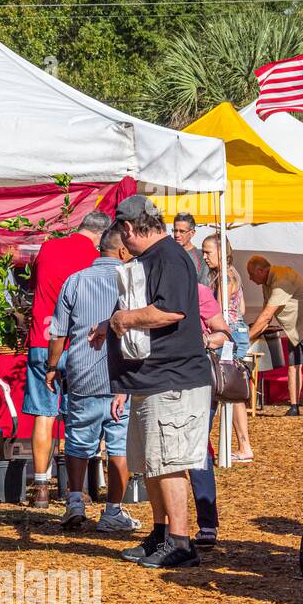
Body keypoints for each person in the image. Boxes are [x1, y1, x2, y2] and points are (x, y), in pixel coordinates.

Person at [93, 195, 212, 569]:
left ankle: (180, 540)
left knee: (170, 461)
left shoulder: (170, 257)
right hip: (153, 380)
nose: (124, 246)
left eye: (123, 236)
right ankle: (161, 533)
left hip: (173, 380)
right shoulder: (154, 258)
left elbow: (171, 310)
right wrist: (108, 324)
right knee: (153, 461)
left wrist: (123, 320)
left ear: (129, 228)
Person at [45, 226, 139, 533]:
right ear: (123, 251)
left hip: (82, 372)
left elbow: (58, 332)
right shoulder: (131, 281)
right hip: (121, 376)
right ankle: (113, 510)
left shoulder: (75, 280)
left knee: (78, 441)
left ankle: (74, 502)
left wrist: (52, 365)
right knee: (118, 446)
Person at [23, 211, 109, 508]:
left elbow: (35, 282)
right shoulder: (95, 260)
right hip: (79, 345)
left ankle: (42, 486)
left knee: (43, 415)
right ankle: (78, 488)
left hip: (41, 339)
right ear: (101, 236)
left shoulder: (49, 247)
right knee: (81, 415)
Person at [186, 281, 236, 550]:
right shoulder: (147, 290)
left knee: (197, 448)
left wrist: (203, 340)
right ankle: (170, 525)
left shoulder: (199, 291)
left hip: (199, 378)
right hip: (160, 379)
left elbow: (224, 334)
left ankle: (207, 523)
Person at [246, 255, 303, 417]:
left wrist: (246, 338)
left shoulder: (281, 279)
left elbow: (267, 315)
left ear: (261, 271)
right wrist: (261, 328)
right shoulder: (266, 284)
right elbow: (265, 315)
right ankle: (294, 406)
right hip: (295, 328)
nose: (249, 278)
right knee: (293, 364)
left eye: (251, 274)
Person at [201, 233, 254, 461]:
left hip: (228, 335)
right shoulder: (232, 275)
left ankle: (244, 446)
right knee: (230, 389)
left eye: (208, 252)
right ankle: (241, 446)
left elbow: (220, 311)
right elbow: (241, 308)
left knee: (231, 389)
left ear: (221, 253)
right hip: (237, 330)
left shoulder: (224, 278)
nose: (204, 257)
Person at [172, 212, 208, 284]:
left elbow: (204, 286)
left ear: (192, 233)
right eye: (175, 230)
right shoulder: (168, 253)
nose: (177, 235)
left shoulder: (200, 257)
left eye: (182, 231)